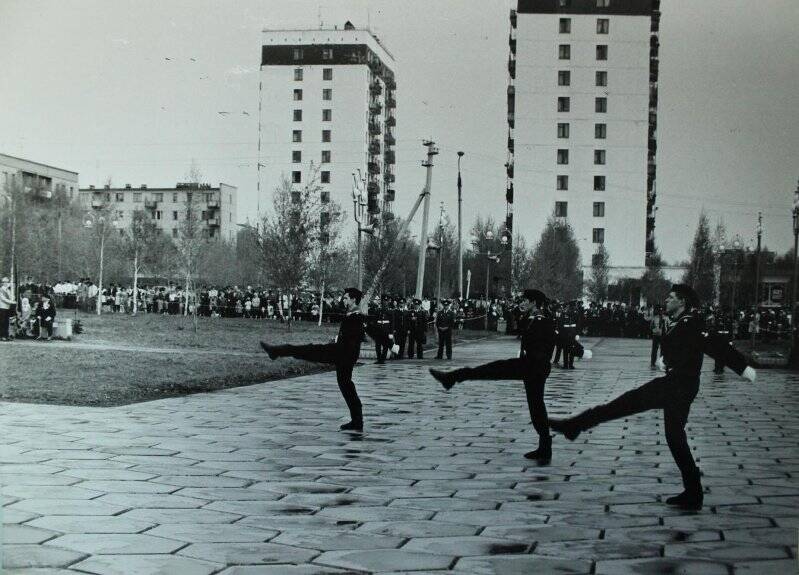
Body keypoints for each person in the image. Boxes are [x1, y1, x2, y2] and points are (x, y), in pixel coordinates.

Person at [549, 284, 757, 510]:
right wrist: (665, 359)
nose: (666, 301)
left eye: (671, 298)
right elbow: (680, 348)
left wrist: (742, 367)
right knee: (674, 436)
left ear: (682, 302)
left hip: (679, 386)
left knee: (624, 405)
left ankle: (575, 426)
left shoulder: (692, 323)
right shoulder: (677, 322)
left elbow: (716, 345)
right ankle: (694, 491)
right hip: (676, 383)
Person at [429, 289, 559, 464]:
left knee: (495, 373)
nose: (523, 303)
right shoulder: (532, 319)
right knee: (535, 406)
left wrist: (578, 350)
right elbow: (517, 329)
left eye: (526, 300)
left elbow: (559, 339)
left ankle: (451, 378)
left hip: (534, 367)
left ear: (535, 303)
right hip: (529, 366)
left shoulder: (543, 321)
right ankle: (545, 447)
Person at [260, 287, 399, 432]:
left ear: (353, 299)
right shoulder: (351, 314)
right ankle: (357, 421)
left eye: (346, 298)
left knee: (308, 351)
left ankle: (275, 351)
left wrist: (392, 346)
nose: (343, 300)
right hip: (342, 353)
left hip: (343, 354)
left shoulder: (357, 316)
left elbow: (374, 331)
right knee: (346, 385)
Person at [0, 277, 14, 341]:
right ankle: (2, 336)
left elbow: (12, 297)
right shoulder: (1, 290)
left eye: (7, 282)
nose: (6, 283)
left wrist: (12, 291)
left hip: (7, 307)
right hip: (2, 307)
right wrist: (12, 302)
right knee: (2, 322)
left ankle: (6, 335)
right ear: (2, 283)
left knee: (6, 322)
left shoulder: (8, 290)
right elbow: (3, 299)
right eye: (4, 282)